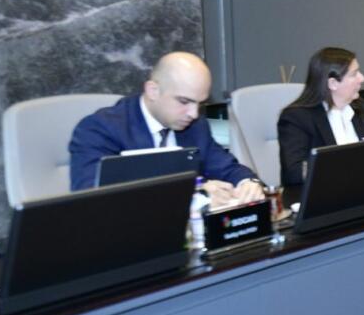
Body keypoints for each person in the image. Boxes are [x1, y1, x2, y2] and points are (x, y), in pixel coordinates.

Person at [68, 51, 265, 207]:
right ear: (153, 91)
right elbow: (91, 199)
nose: (193, 113)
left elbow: (226, 167)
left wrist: (248, 183)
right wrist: (197, 195)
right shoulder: (100, 129)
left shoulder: (196, 126)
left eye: (200, 103)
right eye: (184, 101)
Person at [277, 47, 364, 203]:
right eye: (354, 74)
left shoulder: (359, 107)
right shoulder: (297, 118)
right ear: (332, 83)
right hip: (322, 202)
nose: (362, 78)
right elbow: (293, 172)